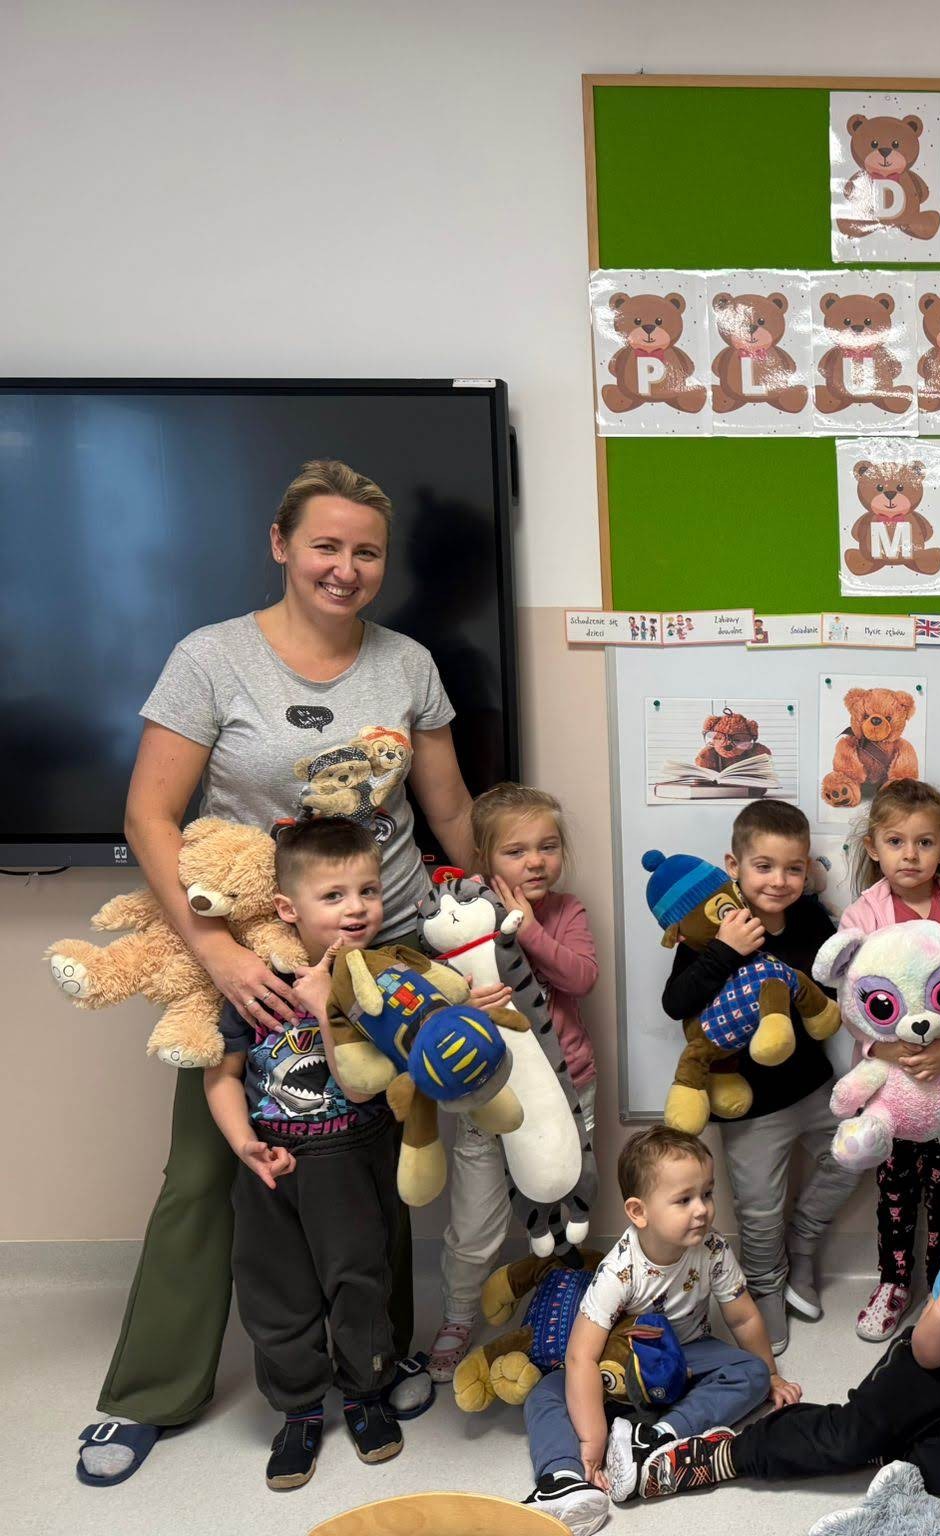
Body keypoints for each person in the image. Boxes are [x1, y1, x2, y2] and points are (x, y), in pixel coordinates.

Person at [80, 459, 471, 1486]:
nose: (346, 568)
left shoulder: (408, 664)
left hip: (382, 947)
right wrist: (214, 951)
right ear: (281, 544)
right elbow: (148, 815)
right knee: (209, 1172)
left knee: (371, 1166)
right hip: (252, 952)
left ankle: (372, 1367)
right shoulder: (211, 659)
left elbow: (447, 808)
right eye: (325, 545)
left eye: (366, 551)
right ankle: (150, 1394)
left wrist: (492, 917)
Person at [632, 1132, 940, 1509]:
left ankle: (883, 1447)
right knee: (848, 1438)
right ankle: (727, 1452)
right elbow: (928, 1355)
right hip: (931, 1370)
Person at [201, 818, 407, 1490]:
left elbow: (364, 1084)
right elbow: (223, 1075)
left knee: (359, 1283)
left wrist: (325, 1009)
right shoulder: (255, 983)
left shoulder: (385, 980)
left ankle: (366, 1394)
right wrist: (244, 1144)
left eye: (369, 890)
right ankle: (298, 1411)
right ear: (288, 908)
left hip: (351, 1161)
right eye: (334, 895)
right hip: (271, 1166)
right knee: (275, 1292)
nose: (357, 908)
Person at [520, 1127, 791, 1534]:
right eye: (684, 1200)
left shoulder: (713, 1249)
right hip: (622, 1370)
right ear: (638, 1212)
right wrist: (592, 1440)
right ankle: (563, 1478)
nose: (701, 1210)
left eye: (707, 1194)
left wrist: (770, 1374)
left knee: (750, 1372)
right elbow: (581, 1355)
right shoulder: (619, 1270)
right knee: (544, 1394)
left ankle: (655, 1438)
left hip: (687, 1355)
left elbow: (743, 1318)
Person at [661, 799, 859, 1353]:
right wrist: (726, 951)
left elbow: (835, 982)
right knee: (759, 1213)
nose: (779, 881)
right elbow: (675, 1003)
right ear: (735, 866)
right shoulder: (713, 928)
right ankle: (766, 1288)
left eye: (793, 868)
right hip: (747, 1105)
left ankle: (804, 1246)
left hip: (813, 1086)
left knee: (858, 1153)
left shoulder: (809, 917)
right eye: (764, 866)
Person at [430, 782, 600, 1380]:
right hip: (489, 1095)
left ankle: (560, 1304)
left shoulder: (565, 912)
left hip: (566, 1089)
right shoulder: (454, 921)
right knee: (476, 1224)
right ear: (484, 859)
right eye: (516, 851)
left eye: (547, 847)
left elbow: (581, 978)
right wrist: (463, 1002)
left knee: (564, 1199)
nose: (535, 862)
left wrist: (524, 929)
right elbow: (429, 1001)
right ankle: (457, 1316)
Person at [837, 780, 940, 1343]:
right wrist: (880, 1049)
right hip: (892, 1088)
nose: (910, 855)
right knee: (895, 1192)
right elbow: (850, 998)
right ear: (873, 847)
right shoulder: (861, 914)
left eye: (924, 842)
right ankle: (893, 1282)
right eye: (896, 841)